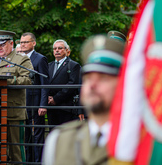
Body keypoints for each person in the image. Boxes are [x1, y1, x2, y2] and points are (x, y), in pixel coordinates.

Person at [42, 35, 125, 165]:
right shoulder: (59, 140)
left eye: (103, 78)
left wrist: (56, 98)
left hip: (65, 106)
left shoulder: (139, 142)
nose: (92, 85)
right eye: (88, 78)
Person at [0, 30, 33, 163]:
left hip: (13, 111)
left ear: (11, 43)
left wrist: (8, 81)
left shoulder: (21, 59)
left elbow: (28, 80)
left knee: (16, 150)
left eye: (2, 44)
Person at [20, 32, 49, 163]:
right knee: (25, 136)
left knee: (37, 135)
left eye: (26, 42)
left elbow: (44, 84)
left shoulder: (40, 59)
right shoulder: (19, 58)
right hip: (22, 102)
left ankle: (38, 161)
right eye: (21, 42)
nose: (23, 44)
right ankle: (28, 161)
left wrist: (43, 104)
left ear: (34, 43)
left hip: (36, 103)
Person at [47, 40, 81, 127]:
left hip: (65, 107)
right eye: (55, 48)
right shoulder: (49, 65)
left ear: (67, 51)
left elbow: (71, 85)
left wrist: (56, 98)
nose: (57, 50)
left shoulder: (73, 65)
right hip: (51, 107)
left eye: (60, 48)